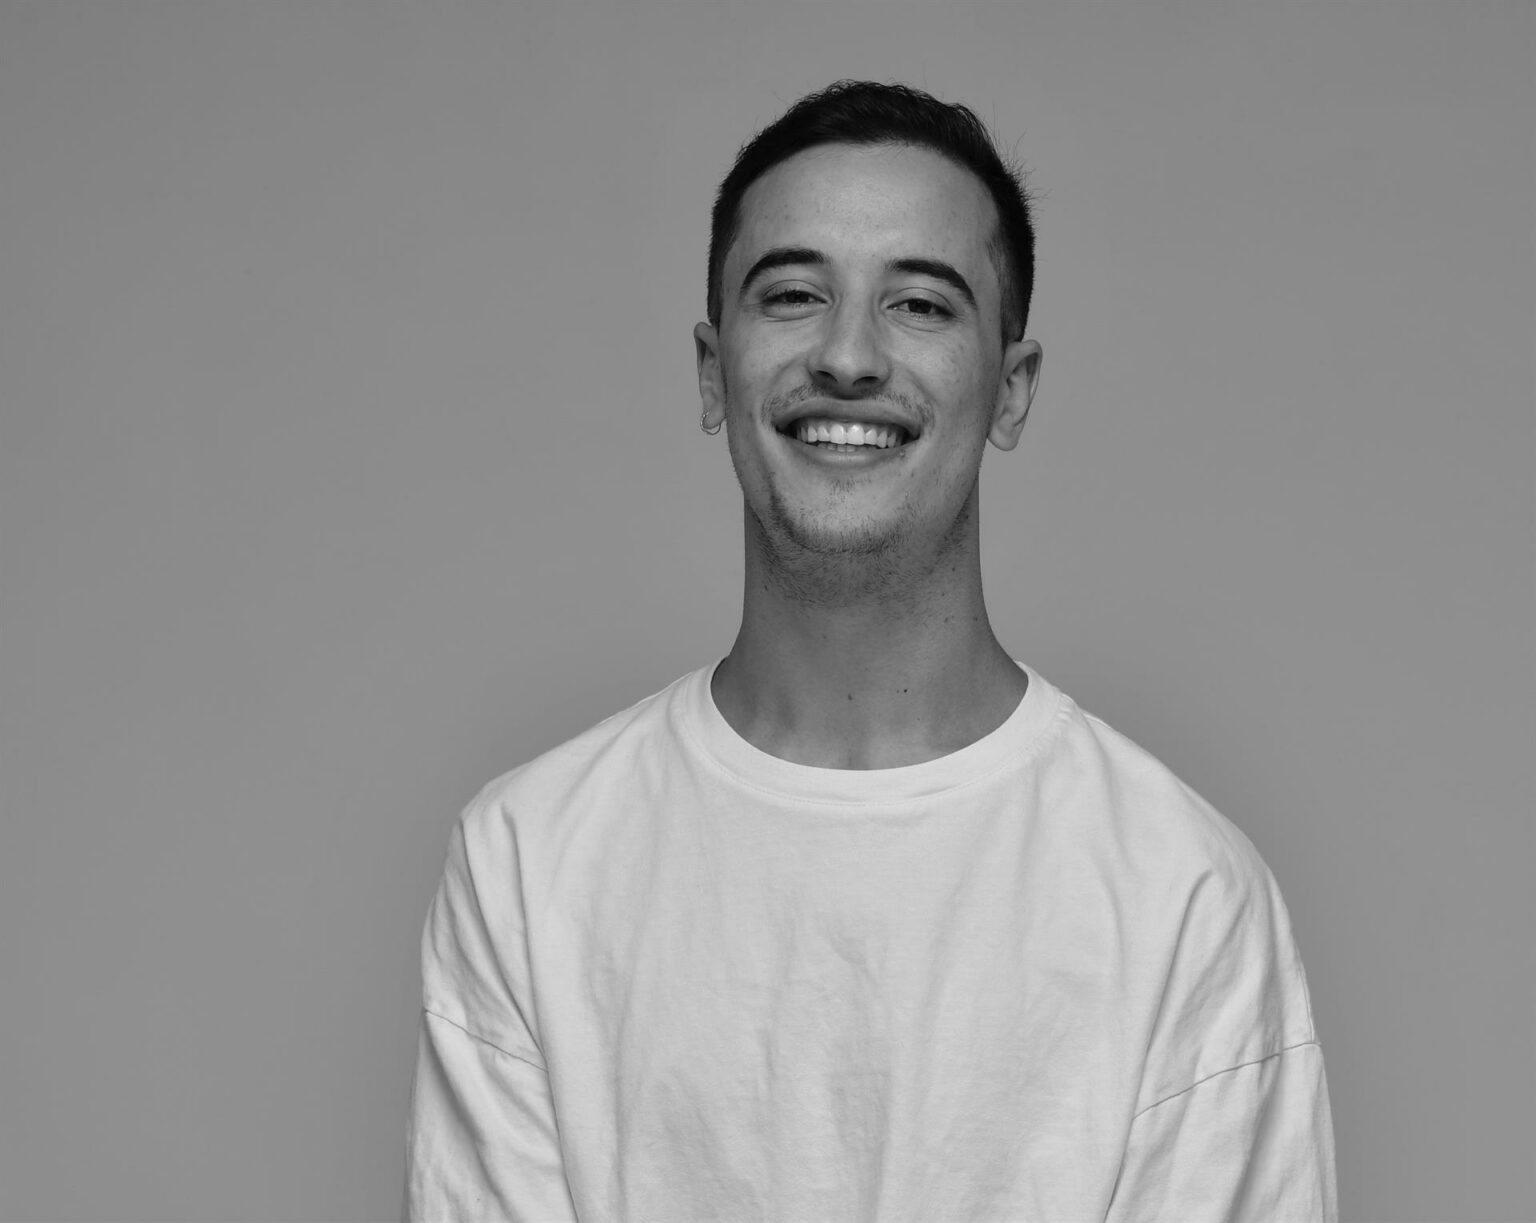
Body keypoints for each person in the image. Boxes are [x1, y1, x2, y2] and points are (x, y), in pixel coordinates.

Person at [401, 80, 1338, 1221]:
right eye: (794, 295)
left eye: (921, 304)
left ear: (1012, 388)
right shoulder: (528, 862)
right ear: (712, 370)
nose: (848, 356)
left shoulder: (1184, 894)